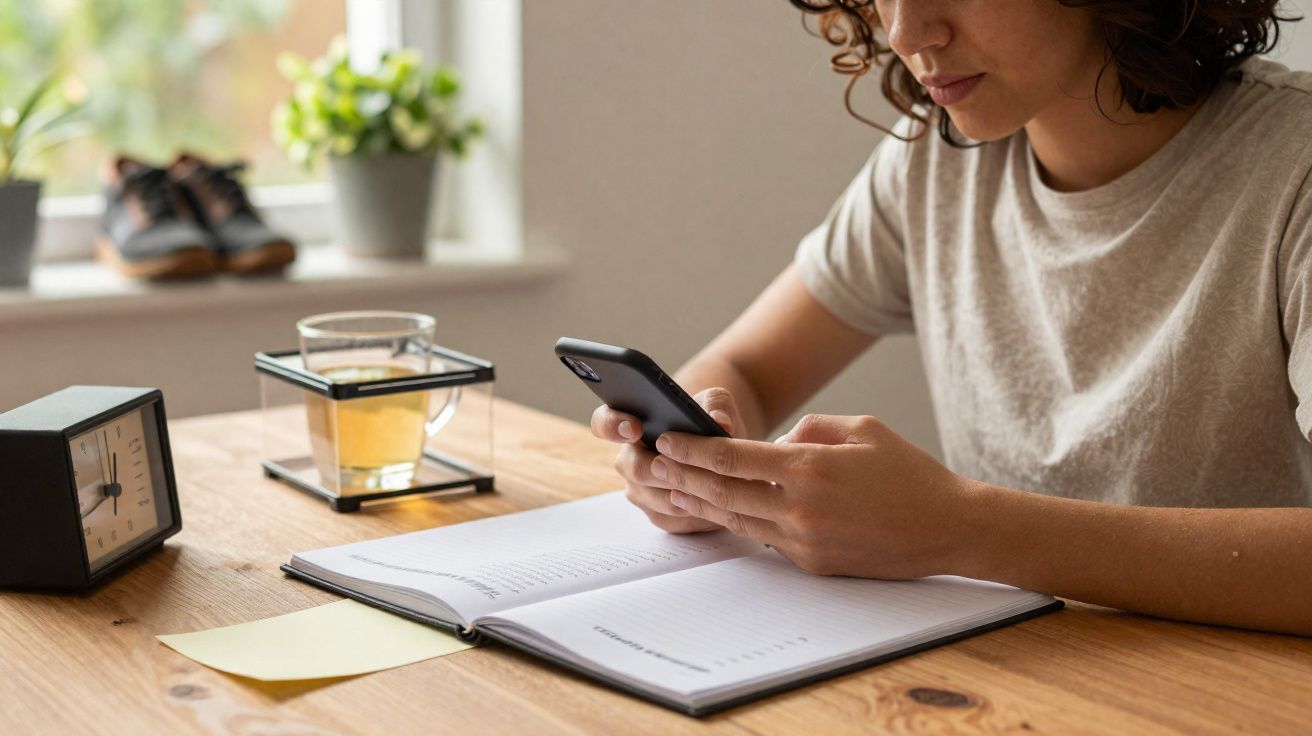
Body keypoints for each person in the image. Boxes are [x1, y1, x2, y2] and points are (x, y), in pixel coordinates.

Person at [590, 0, 1312, 637]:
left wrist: (960, 528)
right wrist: (695, 459)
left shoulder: (1294, 170)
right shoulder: (934, 161)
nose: (907, 33)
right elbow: (743, 370)